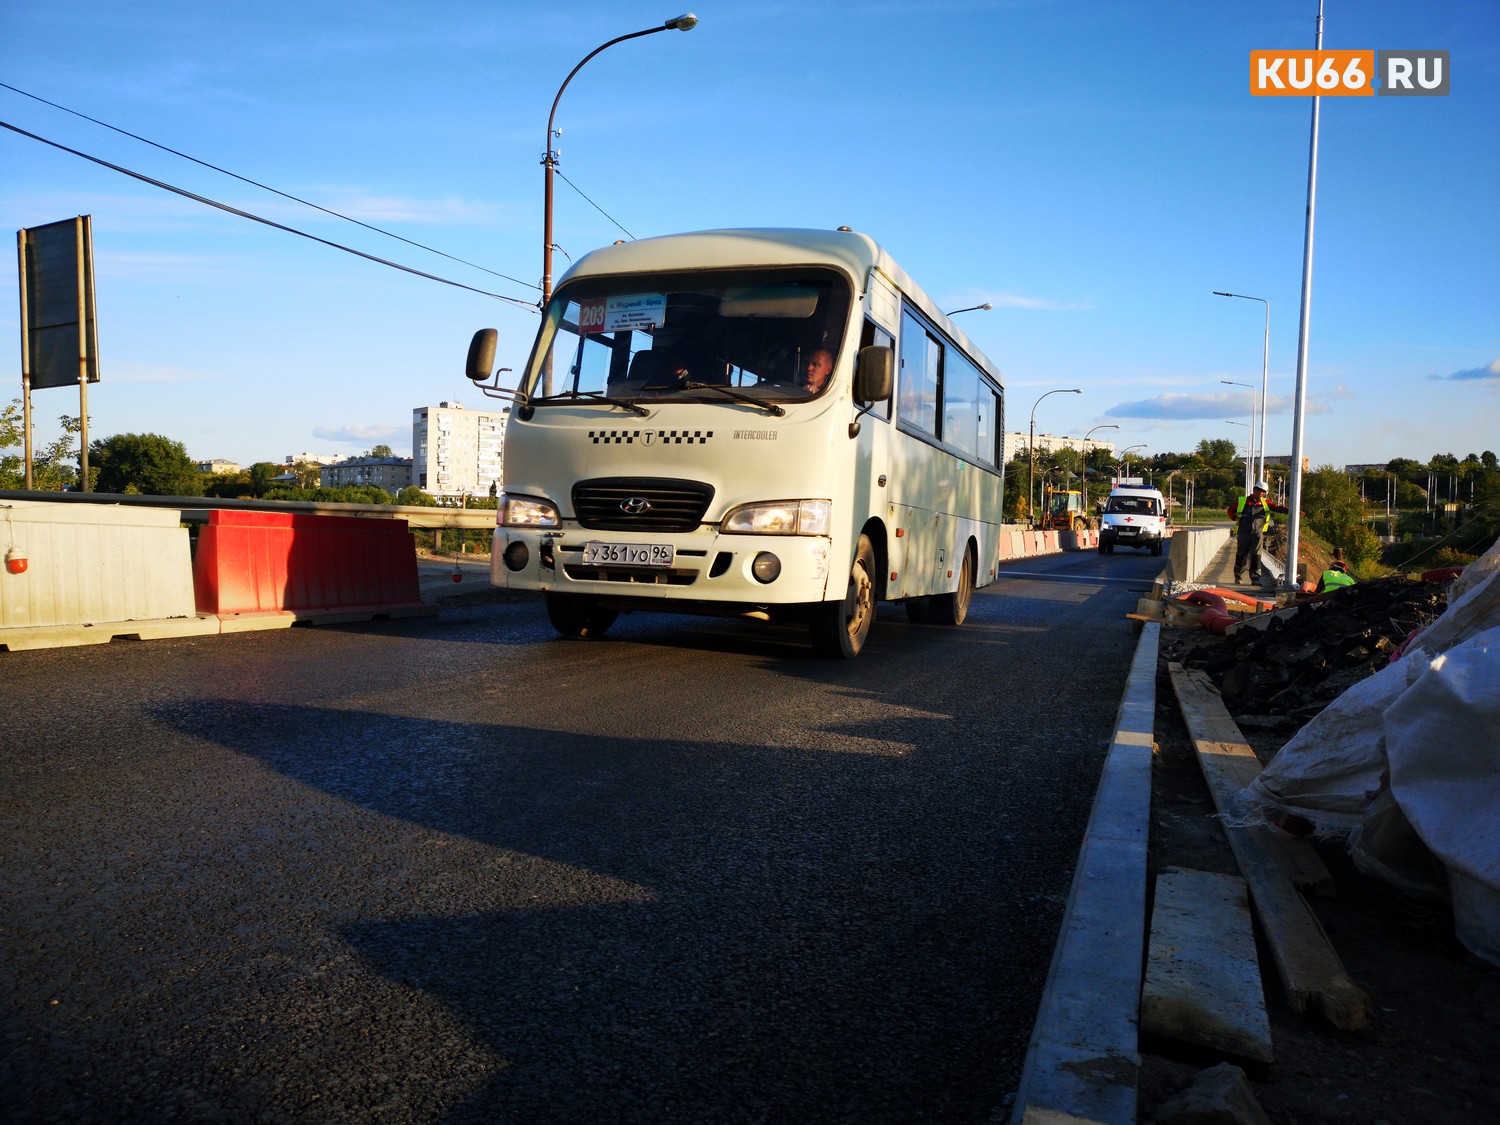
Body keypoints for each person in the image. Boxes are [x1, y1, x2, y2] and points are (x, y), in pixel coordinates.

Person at [1226, 480, 1288, 585]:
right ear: (1254, 490)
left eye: (1264, 492)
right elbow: (1230, 510)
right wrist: (1235, 517)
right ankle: (1238, 576)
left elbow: (1278, 508)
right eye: (1260, 491)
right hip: (1244, 532)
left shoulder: (1265, 503)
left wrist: (1292, 510)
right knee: (1242, 555)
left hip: (1258, 533)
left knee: (1256, 556)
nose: (1262, 494)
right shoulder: (1243, 501)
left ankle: (1255, 578)